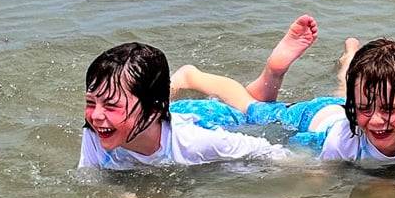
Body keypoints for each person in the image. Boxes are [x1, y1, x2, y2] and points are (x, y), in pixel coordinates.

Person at [171, 21, 395, 171]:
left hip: (344, 110)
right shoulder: (341, 141)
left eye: (390, 109)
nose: (378, 121)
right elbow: (311, 162)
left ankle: (351, 58)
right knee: (253, 106)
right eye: (367, 108)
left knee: (348, 93)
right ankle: (192, 75)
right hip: (314, 118)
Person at [79, 41, 291, 169]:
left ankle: (271, 74)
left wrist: (305, 170)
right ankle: (181, 79)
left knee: (255, 110)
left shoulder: (198, 142)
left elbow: (266, 151)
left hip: (208, 116)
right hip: (156, 115)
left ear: (153, 111)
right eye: (91, 102)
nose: (96, 115)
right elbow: (90, 176)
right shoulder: (96, 131)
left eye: (110, 105)